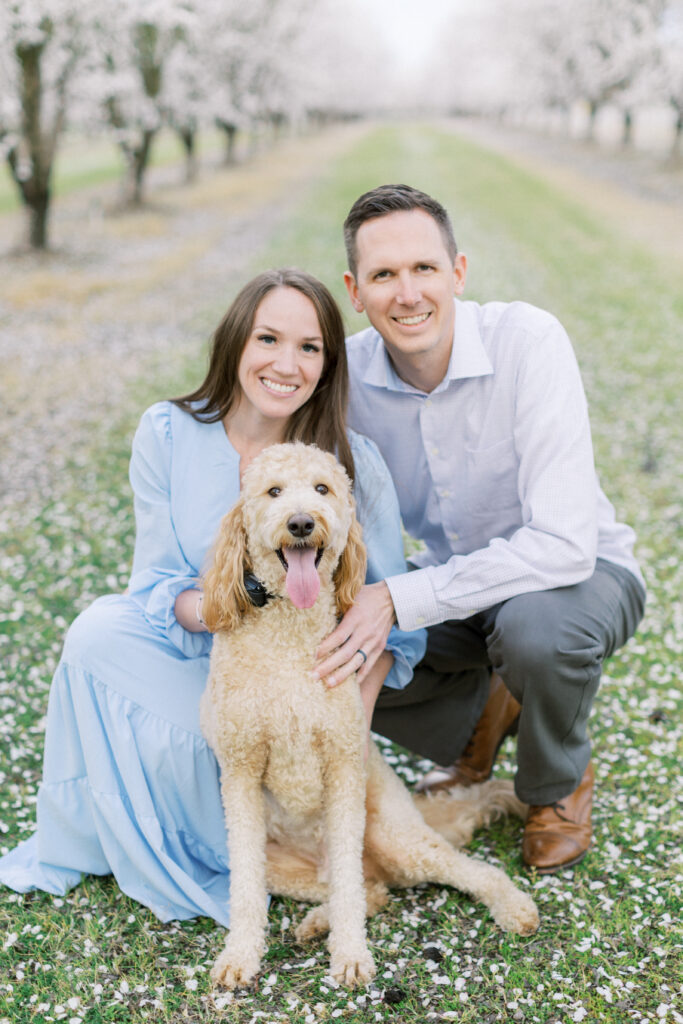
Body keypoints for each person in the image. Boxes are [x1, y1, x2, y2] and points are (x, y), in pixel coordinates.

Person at [0, 268, 425, 923]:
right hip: (203, 657)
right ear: (235, 343)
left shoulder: (351, 460)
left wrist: (346, 735)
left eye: (309, 348)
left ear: (327, 363)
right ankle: (145, 823)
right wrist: (233, 600)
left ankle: (255, 831)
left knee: (284, 734)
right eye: (268, 339)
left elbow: (390, 620)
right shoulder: (167, 431)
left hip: (304, 695)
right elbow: (154, 587)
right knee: (95, 631)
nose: (286, 364)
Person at [314, 185, 646, 874]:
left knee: (535, 630)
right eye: (383, 275)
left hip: (580, 577)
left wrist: (399, 598)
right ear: (355, 290)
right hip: (458, 584)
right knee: (321, 644)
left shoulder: (528, 340)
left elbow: (561, 544)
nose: (406, 294)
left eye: (423, 269)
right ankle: (479, 723)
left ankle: (556, 784)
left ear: (457, 272)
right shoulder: (346, 378)